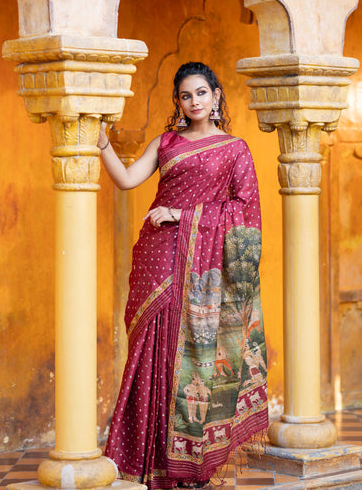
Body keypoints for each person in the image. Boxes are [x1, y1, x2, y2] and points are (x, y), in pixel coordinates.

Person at [100, 62, 268, 490]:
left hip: (202, 269)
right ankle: (140, 458)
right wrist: (101, 144)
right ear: (178, 102)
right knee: (149, 351)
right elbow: (125, 179)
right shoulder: (167, 142)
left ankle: (186, 462)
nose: (193, 102)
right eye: (185, 96)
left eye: (200, 93)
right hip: (156, 257)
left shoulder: (235, 150)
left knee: (192, 355)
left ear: (215, 96)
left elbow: (245, 214)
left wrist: (183, 214)